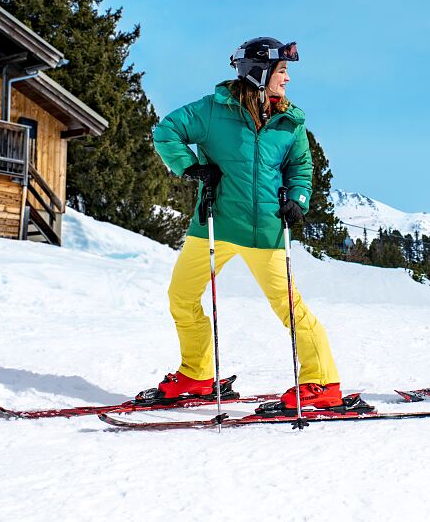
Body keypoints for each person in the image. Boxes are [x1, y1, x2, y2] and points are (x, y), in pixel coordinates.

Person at [143, 36, 343, 412]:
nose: (287, 79)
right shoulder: (212, 111)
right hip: (215, 224)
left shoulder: (290, 122)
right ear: (258, 73)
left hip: (266, 229)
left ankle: (321, 382)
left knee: (289, 307)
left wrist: (298, 199)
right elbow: (166, 131)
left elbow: (301, 166)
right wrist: (191, 167)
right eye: (281, 71)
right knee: (181, 296)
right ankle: (198, 374)